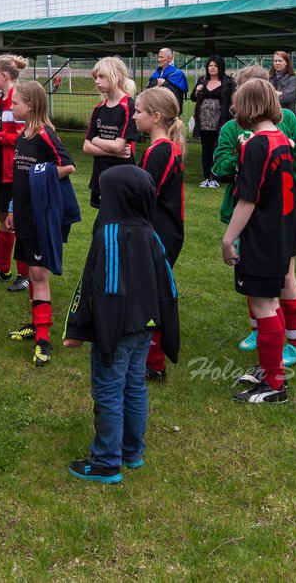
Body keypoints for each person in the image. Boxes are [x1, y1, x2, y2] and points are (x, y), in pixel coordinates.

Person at [63, 165, 175, 482]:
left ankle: (106, 462)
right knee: (135, 385)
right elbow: (166, 284)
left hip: (115, 331)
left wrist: (82, 331)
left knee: (109, 390)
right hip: (144, 327)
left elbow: (101, 289)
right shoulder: (150, 233)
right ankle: (132, 451)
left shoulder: (110, 235)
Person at [213, 65, 296, 354]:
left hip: (282, 211)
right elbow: (219, 168)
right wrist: (240, 157)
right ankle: (262, 332)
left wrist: (291, 148)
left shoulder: (287, 120)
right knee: (254, 279)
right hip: (251, 218)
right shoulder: (232, 129)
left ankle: (295, 342)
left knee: (284, 278)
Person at [6, 80, 77, 367]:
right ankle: (37, 322)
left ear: (31, 105)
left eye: (15, 103)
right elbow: (19, 177)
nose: (11, 107)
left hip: (39, 218)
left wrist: (42, 175)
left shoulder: (45, 134)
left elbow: (68, 165)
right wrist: (12, 207)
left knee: (38, 274)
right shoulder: (23, 134)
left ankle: (43, 339)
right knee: (28, 270)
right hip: (22, 216)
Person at [134, 86, 185, 383]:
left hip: (160, 234)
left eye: (139, 112)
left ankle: (153, 362)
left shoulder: (162, 151)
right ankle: (151, 359)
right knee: (150, 293)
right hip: (161, 231)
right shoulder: (160, 149)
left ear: (155, 117)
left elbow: (146, 196)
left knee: (151, 296)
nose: (135, 116)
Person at [0, 54, 30, 291]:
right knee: (3, 218)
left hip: (14, 170)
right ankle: (3, 269)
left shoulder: (18, 99)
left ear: (4, 76)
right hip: (0, 170)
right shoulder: (0, 98)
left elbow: (23, 137)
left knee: (18, 220)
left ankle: (25, 273)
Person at [82, 57, 138, 209]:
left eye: (101, 76)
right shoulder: (99, 108)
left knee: (121, 221)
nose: (96, 81)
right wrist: (113, 152)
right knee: (102, 223)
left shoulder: (129, 106)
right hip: (100, 175)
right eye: (95, 77)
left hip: (122, 175)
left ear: (116, 75)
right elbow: (86, 147)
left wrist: (95, 139)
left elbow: (118, 146)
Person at [190, 55, 233, 188]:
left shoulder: (228, 81)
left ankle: (216, 177)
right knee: (206, 149)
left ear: (220, 67)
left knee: (217, 148)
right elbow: (192, 98)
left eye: (215, 65)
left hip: (220, 120)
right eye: (210, 66)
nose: (212, 68)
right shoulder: (202, 80)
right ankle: (206, 177)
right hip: (203, 121)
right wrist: (197, 91)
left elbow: (231, 100)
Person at [146, 47, 188, 115]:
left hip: (170, 111)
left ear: (170, 59)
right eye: (158, 57)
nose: (159, 59)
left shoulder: (177, 74)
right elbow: (148, 89)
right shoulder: (156, 73)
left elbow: (178, 94)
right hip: (156, 110)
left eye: (162, 57)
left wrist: (165, 84)